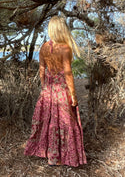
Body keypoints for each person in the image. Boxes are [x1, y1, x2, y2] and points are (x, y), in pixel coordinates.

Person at [24, 16, 87, 167]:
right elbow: (68, 73)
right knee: (66, 121)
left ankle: (51, 155)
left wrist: (45, 87)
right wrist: (73, 94)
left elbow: (41, 71)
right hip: (61, 89)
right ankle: (67, 156)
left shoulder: (44, 47)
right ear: (62, 29)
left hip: (48, 89)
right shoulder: (65, 48)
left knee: (50, 121)